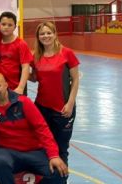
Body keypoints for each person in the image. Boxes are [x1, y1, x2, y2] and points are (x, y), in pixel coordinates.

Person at [0, 72, 68, 184]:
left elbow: (42, 129)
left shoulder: (24, 102)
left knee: (59, 172)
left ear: (6, 85)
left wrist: (53, 155)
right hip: (7, 152)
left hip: (34, 152)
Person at [31, 21, 80, 183]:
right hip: (42, 108)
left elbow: (75, 79)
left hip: (63, 108)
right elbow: (34, 77)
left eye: (48, 33)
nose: (45, 36)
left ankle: (60, 181)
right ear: (38, 37)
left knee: (60, 148)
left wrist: (71, 102)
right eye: (42, 34)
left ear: (54, 34)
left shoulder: (66, 53)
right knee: (44, 146)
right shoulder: (36, 56)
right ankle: (46, 180)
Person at [0, 11, 32, 95]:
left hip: (17, 86)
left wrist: (21, 87)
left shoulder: (21, 44)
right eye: (3, 24)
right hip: (3, 86)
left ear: (15, 27)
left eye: (10, 25)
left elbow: (26, 67)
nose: (6, 27)